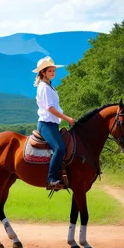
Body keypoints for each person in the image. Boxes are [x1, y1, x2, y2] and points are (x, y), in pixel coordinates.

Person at [32, 56, 76, 190]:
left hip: (52, 124)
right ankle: (51, 180)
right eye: (50, 71)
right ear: (43, 72)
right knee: (60, 148)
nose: (53, 73)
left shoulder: (49, 86)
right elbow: (50, 108)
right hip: (46, 124)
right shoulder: (44, 88)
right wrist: (68, 119)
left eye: (54, 70)